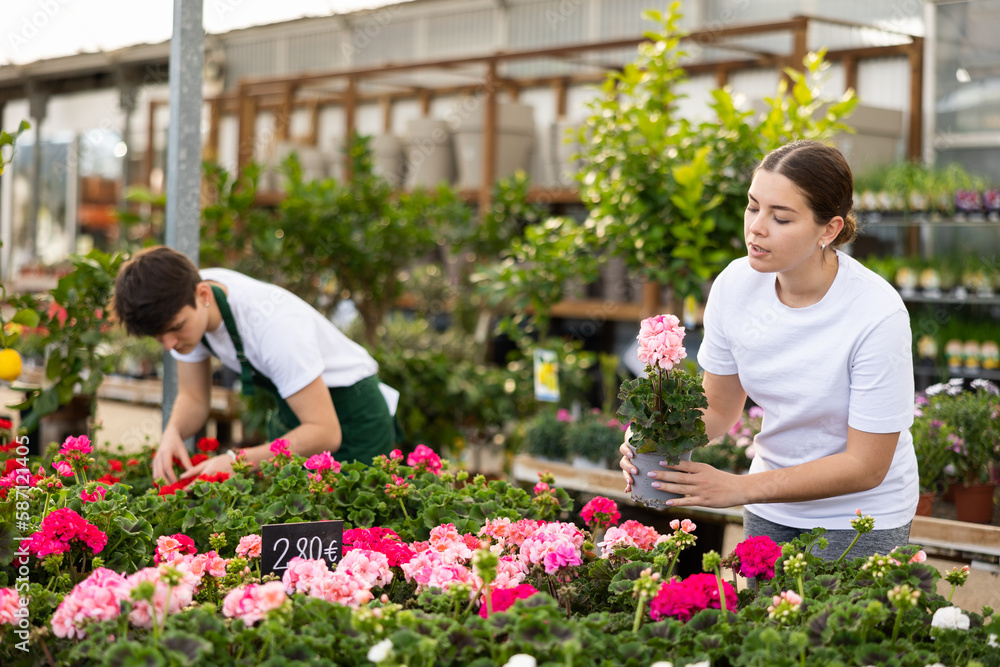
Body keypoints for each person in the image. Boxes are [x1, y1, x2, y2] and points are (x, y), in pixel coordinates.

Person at [620, 140, 918, 560]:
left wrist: (739, 488)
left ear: (829, 230)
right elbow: (720, 410)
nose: (756, 227)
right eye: (752, 206)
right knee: (762, 624)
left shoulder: (876, 313)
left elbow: (866, 465)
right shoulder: (735, 285)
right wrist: (648, 439)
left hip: (859, 520)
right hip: (770, 508)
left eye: (780, 217)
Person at [113, 246, 396, 484]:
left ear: (203, 295)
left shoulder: (274, 328)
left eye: (176, 328)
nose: (169, 345)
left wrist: (237, 460)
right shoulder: (183, 308)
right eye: (158, 336)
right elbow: (194, 397)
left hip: (354, 419)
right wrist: (171, 433)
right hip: (298, 417)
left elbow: (324, 432)